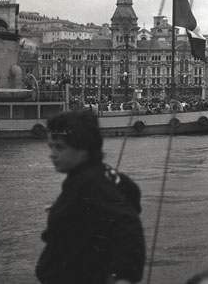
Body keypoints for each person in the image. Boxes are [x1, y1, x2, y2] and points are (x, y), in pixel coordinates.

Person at [36, 110, 145, 284]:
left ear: (83, 148)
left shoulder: (88, 182)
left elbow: (128, 223)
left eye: (59, 147)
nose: (52, 153)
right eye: (50, 146)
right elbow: (131, 193)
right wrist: (69, 209)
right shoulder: (104, 174)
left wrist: (123, 276)